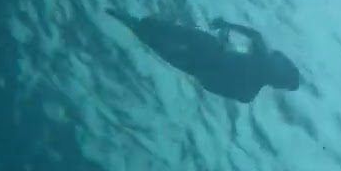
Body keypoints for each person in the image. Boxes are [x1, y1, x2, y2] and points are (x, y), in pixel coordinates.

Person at [106, 9, 300, 103]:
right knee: (169, 45)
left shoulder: (256, 75)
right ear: (277, 84)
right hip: (206, 63)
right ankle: (141, 27)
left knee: (172, 37)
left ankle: (142, 26)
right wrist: (226, 26)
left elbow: (254, 36)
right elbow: (212, 87)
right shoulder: (249, 91)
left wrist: (226, 25)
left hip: (211, 54)